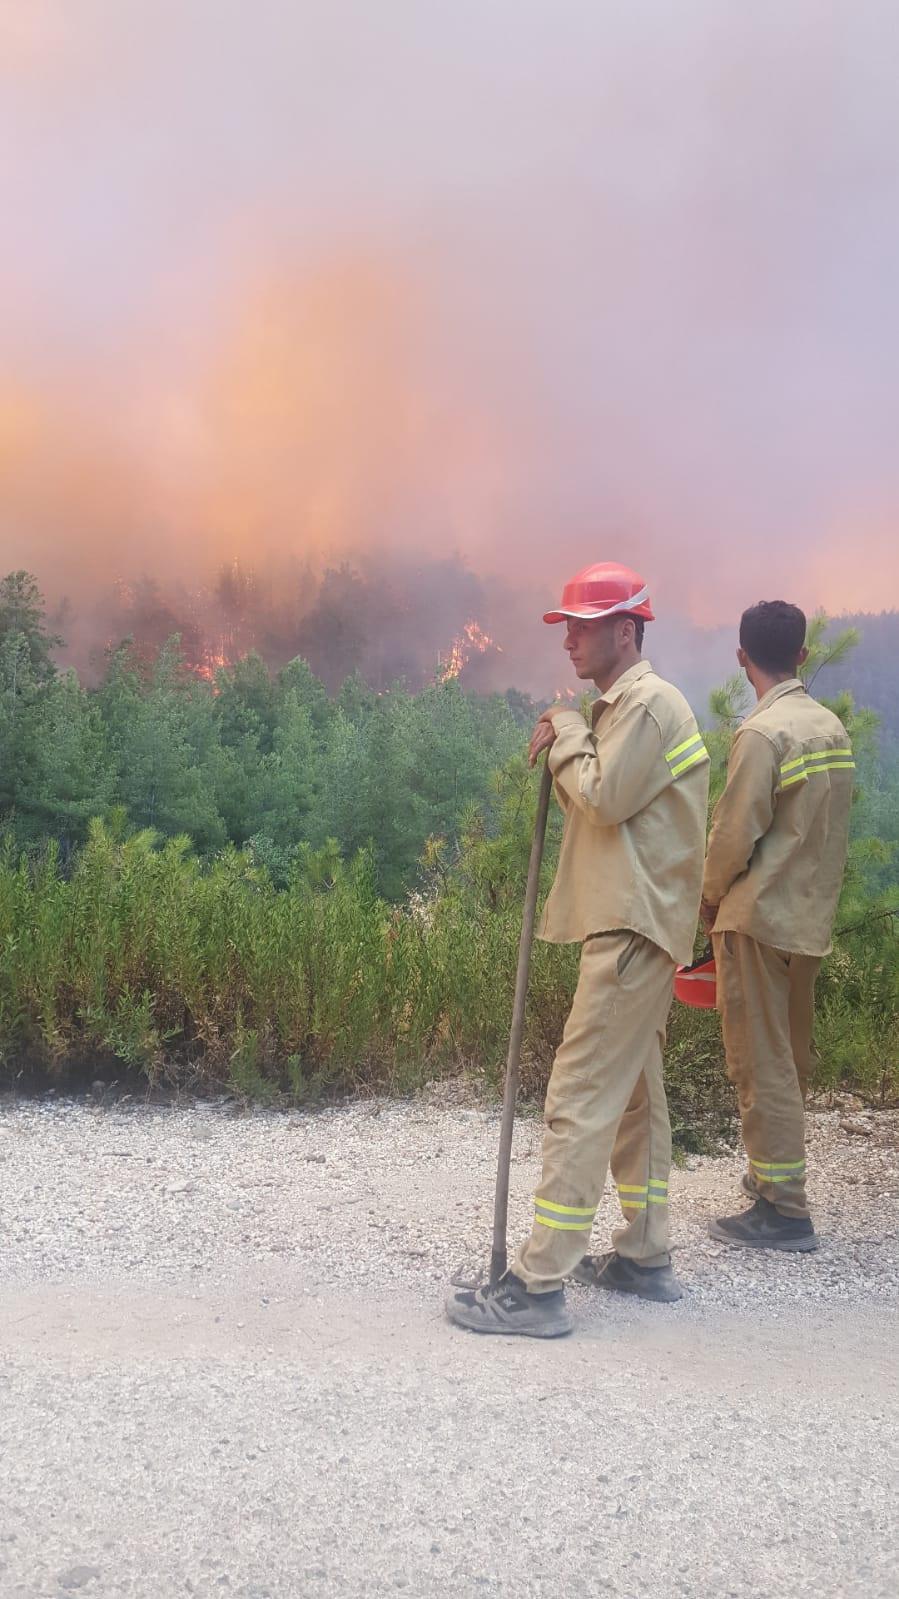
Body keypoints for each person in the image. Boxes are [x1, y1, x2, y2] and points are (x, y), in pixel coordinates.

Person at [446, 563, 710, 1337]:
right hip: (639, 924)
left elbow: (601, 797)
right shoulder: (622, 707)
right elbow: (604, 808)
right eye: (566, 624)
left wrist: (563, 730)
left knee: (578, 1099)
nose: (568, 637)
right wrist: (575, 730)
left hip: (632, 929)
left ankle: (536, 1286)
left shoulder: (647, 706)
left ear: (627, 629)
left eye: (583, 624)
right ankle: (643, 1254)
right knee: (634, 1099)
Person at [700, 600, 854, 1251]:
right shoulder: (829, 728)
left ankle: (783, 1210)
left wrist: (705, 902)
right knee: (786, 1059)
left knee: (758, 1063)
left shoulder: (762, 735)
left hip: (757, 921)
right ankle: (768, 1177)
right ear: (800, 654)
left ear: (741, 659)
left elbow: (732, 835)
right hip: (806, 922)